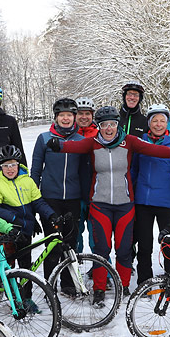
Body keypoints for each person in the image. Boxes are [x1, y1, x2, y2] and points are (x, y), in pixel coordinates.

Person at [46, 105, 170, 298]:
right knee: (102, 249)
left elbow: (152, 149)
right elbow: (74, 146)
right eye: (104, 125)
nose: (109, 128)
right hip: (99, 204)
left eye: (112, 124)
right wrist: (59, 146)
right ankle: (99, 289)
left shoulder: (128, 141)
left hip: (125, 205)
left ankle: (123, 286)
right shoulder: (93, 142)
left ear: (117, 125)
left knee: (124, 249)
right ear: (100, 126)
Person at [0, 145, 60, 311]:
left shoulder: (27, 181)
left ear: (18, 164)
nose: (10, 169)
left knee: (26, 266)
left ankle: (26, 298)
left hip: (26, 230)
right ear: (1, 167)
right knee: (10, 266)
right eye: (5, 166)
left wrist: (50, 215)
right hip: (9, 231)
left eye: (12, 164)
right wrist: (15, 219)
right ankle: (14, 298)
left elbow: (38, 202)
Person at [32, 98, 86, 289]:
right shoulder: (44, 138)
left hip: (73, 198)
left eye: (69, 115)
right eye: (61, 115)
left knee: (70, 243)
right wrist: (34, 197)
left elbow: (85, 171)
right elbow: (36, 170)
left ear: (74, 117)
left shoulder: (82, 141)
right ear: (56, 117)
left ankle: (68, 282)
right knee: (53, 244)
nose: (65, 119)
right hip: (50, 198)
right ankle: (49, 284)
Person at [131, 104, 170, 283]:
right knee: (144, 243)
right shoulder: (140, 143)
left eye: (162, 120)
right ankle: (144, 279)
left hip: (167, 202)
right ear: (149, 123)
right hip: (143, 201)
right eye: (154, 120)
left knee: (169, 244)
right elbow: (133, 169)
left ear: (167, 123)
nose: (158, 124)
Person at [74, 97, 98, 254]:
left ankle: (103, 270)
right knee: (75, 236)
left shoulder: (100, 134)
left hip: (95, 193)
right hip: (74, 193)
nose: (84, 117)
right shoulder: (69, 134)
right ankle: (72, 270)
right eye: (80, 113)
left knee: (96, 236)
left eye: (87, 114)